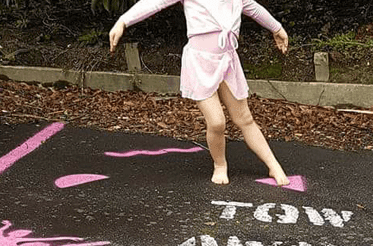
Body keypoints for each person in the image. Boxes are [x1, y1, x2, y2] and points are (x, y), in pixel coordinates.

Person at [109, 0, 290, 186]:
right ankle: (220, 164)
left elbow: (255, 9)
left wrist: (277, 28)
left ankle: (273, 164)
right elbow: (155, 2)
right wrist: (123, 21)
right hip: (200, 64)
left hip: (227, 61)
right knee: (217, 121)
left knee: (245, 118)